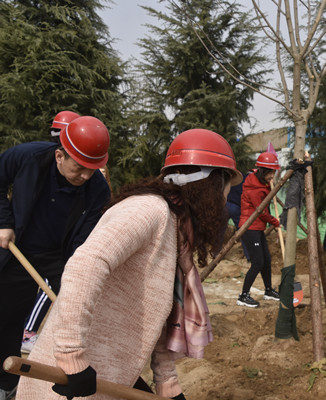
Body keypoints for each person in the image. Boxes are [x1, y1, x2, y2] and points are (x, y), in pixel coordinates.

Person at [16, 128, 243, 400]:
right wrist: (71, 356)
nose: (225, 201)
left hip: (109, 377)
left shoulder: (176, 234)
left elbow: (161, 315)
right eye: (226, 189)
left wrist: (167, 384)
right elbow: (84, 266)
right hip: (67, 383)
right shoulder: (147, 210)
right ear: (211, 184)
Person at [0, 116, 111, 399]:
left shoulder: (97, 187)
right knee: (9, 318)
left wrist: (75, 277)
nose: (86, 176)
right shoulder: (29, 157)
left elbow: (84, 241)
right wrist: (3, 222)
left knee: (79, 310)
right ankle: (7, 384)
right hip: (20, 249)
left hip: (62, 257)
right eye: (79, 168)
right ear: (60, 155)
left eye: (92, 169)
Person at [21, 110, 84, 355]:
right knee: (50, 283)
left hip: (55, 239)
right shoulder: (42, 163)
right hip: (39, 240)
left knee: (53, 283)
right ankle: (27, 331)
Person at [236, 152, 281, 308]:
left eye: (274, 173)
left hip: (257, 228)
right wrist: (275, 222)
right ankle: (243, 296)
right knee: (257, 262)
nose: (272, 176)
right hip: (250, 228)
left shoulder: (261, 183)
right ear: (263, 172)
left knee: (267, 260)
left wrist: (271, 185)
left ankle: (268, 290)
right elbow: (261, 211)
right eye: (270, 173)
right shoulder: (254, 189)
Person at [226, 173, 250, 262]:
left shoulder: (234, 177)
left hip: (225, 204)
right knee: (242, 231)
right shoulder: (249, 181)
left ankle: (215, 253)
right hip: (236, 207)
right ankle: (249, 256)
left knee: (220, 230)